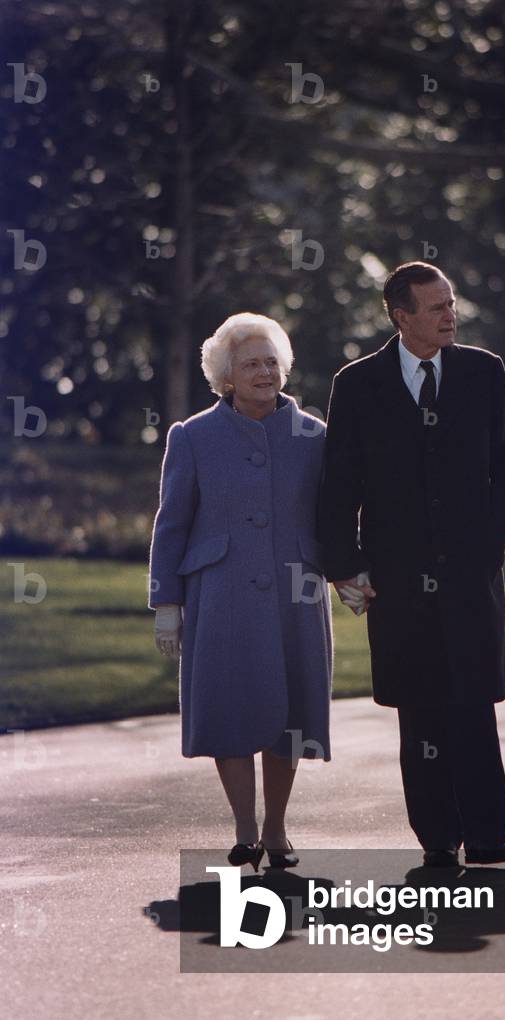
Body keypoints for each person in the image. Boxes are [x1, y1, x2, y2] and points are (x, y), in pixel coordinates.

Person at [318, 261, 505, 867]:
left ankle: (487, 835)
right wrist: (344, 566)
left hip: (470, 575)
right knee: (419, 710)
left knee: (473, 702)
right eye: (436, 307)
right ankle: (437, 838)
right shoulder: (357, 383)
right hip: (397, 579)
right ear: (401, 316)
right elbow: (339, 484)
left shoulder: (483, 372)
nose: (450, 315)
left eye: (451, 303)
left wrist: (493, 536)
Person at [148, 312, 331, 871]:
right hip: (220, 594)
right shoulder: (193, 436)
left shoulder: (314, 435)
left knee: (290, 714)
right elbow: (172, 523)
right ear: (226, 375)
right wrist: (166, 603)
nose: (264, 372)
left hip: (295, 595)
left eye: (272, 362)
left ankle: (276, 828)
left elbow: (333, 515)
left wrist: (351, 572)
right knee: (229, 708)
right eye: (251, 364)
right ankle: (245, 828)